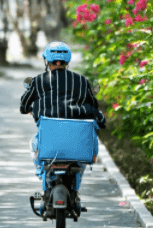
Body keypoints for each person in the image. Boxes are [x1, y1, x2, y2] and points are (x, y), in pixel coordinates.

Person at [20, 41, 106, 186]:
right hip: (78, 142)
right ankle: (76, 182)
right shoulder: (82, 81)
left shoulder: (38, 81)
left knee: (34, 144)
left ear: (47, 61)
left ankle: (41, 173)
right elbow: (94, 107)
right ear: (67, 61)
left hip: (49, 141)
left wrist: (31, 109)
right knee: (87, 150)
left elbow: (24, 106)